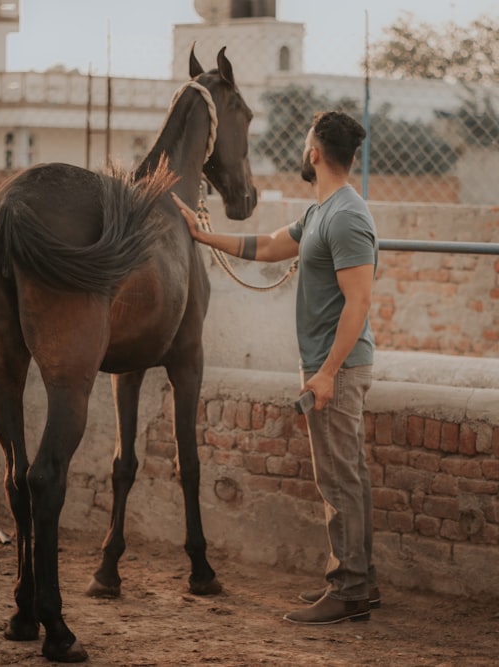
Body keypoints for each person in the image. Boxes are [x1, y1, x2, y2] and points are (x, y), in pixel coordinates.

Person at [171, 110, 379, 625]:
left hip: (340, 368)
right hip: (332, 365)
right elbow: (265, 246)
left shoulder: (347, 216)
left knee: (339, 480)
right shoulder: (321, 213)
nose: (302, 149)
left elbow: (359, 303)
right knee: (347, 476)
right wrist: (205, 235)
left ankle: (350, 589)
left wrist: (328, 372)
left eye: (305, 141)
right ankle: (359, 583)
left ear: (314, 152)